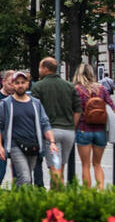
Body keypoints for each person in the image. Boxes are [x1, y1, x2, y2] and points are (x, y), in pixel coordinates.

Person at [0, 69, 56, 188]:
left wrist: (52, 142)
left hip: (33, 145)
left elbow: (45, 123)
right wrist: (0, 147)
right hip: (15, 145)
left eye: (23, 82)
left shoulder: (36, 103)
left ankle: (17, 201)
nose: (20, 85)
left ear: (27, 84)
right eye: (17, 83)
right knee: (25, 177)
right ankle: (21, 202)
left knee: (24, 178)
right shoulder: (5, 104)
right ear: (13, 85)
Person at [31, 57, 79, 187]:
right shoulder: (69, 86)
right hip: (69, 132)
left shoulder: (38, 87)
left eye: (41, 67)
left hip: (51, 133)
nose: (39, 70)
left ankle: (60, 199)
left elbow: (34, 111)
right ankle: (54, 198)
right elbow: (78, 110)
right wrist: (72, 126)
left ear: (46, 69)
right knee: (60, 167)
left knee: (54, 169)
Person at [73, 62, 115, 190]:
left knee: (85, 165)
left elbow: (75, 111)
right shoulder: (101, 89)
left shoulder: (77, 90)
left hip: (83, 129)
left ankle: (88, 194)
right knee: (97, 164)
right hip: (100, 131)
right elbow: (113, 109)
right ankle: (101, 192)